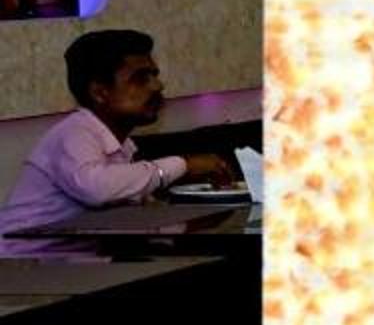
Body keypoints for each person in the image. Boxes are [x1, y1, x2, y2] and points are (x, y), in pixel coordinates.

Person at [0, 29, 235, 235]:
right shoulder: (74, 133)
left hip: (74, 262)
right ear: (99, 93)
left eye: (154, 75)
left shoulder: (121, 144)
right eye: (140, 79)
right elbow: (97, 189)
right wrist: (184, 165)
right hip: (20, 265)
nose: (158, 86)